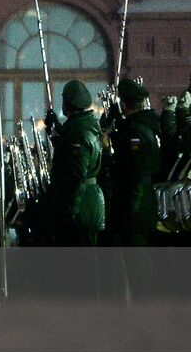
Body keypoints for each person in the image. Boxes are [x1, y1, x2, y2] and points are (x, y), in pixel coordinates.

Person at [46, 80, 105, 247]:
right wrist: (56, 128)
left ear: (67, 102)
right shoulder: (83, 126)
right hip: (87, 200)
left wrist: (70, 212)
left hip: (81, 205)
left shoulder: (78, 134)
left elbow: (76, 174)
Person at [106, 78, 160, 247]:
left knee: (136, 258)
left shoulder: (135, 132)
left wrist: (130, 211)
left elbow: (134, 169)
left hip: (136, 200)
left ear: (124, 104)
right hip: (142, 197)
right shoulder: (143, 125)